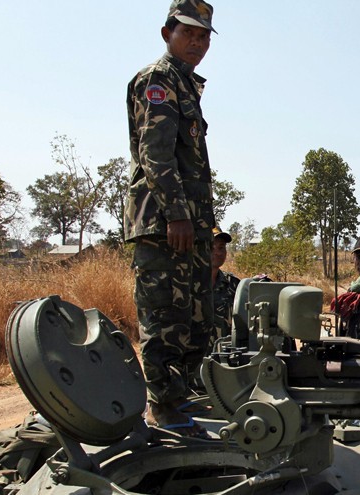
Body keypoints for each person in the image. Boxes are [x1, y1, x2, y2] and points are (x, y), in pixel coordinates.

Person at [124, 0, 218, 437]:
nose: (196, 43)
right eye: (188, 33)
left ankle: (181, 401)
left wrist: (200, 227)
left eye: (203, 36)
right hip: (164, 225)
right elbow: (155, 153)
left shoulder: (185, 85)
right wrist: (178, 215)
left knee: (196, 319)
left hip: (190, 227)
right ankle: (163, 407)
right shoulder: (158, 80)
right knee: (166, 318)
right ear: (167, 34)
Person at [210, 226, 240, 352]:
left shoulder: (234, 285)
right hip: (194, 358)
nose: (218, 253)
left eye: (221, 247)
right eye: (212, 247)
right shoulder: (186, 284)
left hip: (225, 357)